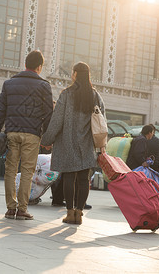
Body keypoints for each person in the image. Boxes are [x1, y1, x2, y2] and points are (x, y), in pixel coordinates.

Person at [41, 62, 106, 225]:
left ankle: (70, 213)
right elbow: (102, 120)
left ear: (75, 74)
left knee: (69, 177)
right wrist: (101, 145)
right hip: (87, 144)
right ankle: (79, 213)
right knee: (84, 179)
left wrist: (47, 140)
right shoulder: (95, 95)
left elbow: (57, 120)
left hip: (67, 142)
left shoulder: (66, 94)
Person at [0, 50, 53, 220]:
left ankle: (10, 208)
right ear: (39, 67)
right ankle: (22, 209)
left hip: (11, 133)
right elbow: (49, 114)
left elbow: (1, 111)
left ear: (25, 65)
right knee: (27, 172)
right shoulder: (44, 86)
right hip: (32, 135)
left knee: (10, 171)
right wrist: (47, 139)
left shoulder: (9, 84)